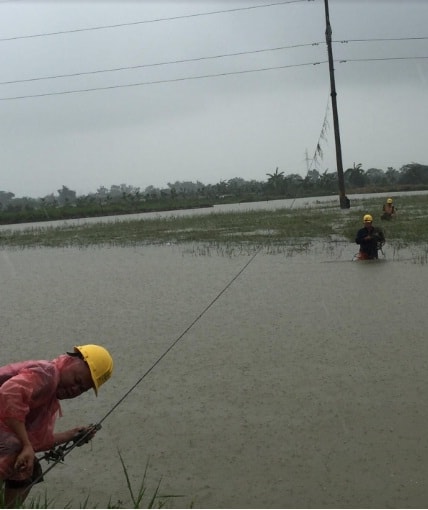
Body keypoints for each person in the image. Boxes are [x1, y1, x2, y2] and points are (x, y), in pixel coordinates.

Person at [0, 344, 113, 507]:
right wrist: (25, 445)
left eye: (82, 389)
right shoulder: (47, 374)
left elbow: (34, 442)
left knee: (26, 468)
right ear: (69, 361)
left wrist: (73, 434)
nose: (74, 389)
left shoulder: (50, 394)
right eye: (77, 380)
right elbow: (9, 395)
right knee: (15, 449)